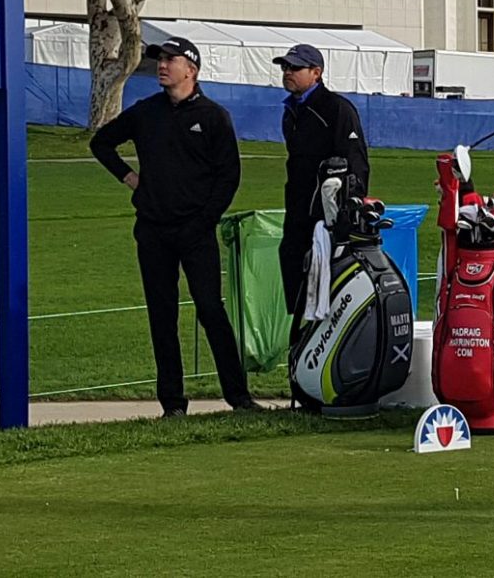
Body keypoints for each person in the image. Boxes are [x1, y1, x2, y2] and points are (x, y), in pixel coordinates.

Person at [90, 36, 262, 416]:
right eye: (160, 60)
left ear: (192, 69)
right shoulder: (145, 112)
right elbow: (101, 143)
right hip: (153, 229)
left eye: (171, 60)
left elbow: (228, 176)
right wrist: (130, 178)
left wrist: (204, 220)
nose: (163, 65)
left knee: (209, 310)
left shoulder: (214, 116)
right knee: (161, 314)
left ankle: (239, 397)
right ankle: (172, 403)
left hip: (196, 231)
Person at [273, 43, 370, 320]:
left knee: (331, 293)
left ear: (316, 72)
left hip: (328, 221)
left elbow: (357, 164)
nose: (287, 72)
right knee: (294, 278)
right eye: (285, 67)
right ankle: (302, 351)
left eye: (294, 67)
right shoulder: (291, 112)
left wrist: (347, 216)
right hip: (297, 216)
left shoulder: (337, 109)